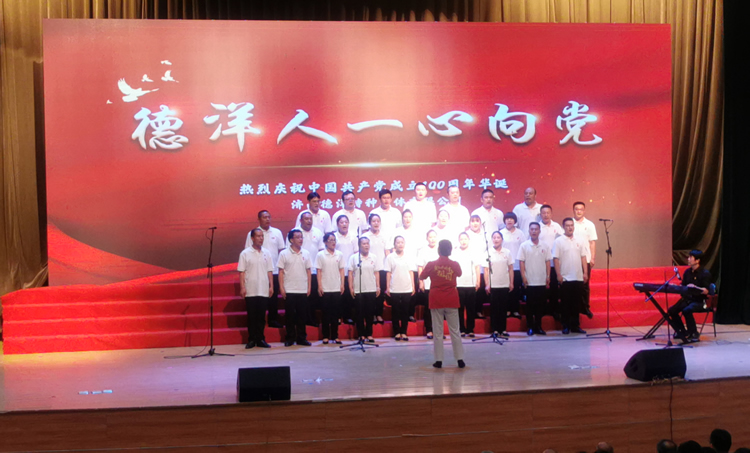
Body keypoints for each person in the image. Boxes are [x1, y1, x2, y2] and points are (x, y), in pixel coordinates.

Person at [419, 239, 465, 369]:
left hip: (436, 300)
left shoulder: (431, 264)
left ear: (438, 250)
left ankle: (439, 360)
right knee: (455, 331)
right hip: (451, 299)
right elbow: (460, 274)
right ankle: (460, 359)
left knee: (437, 332)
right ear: (450, 250)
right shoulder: (454, 264)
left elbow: (422, 276)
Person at [245, 210, 284, 328]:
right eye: (264, 217)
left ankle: (273, 319)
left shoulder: (277, 232)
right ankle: (258, 321)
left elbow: (282, 251)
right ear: (259, 219)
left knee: (273, 297)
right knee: (259, 297)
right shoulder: (252, 233)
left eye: (269, 217)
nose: (267, 219)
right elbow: (247, 252)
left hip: (274, 270)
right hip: (258, 272)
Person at [238, 228, 273, 349]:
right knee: (252, 316)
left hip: (263, 289)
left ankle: (261, 339)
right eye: (258, 236)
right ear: (252, 238)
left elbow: (269, 271)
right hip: (251, 289)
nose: (261, 238)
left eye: (262, 236)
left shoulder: (267, 253)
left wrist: (271, 286)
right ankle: (252, 339)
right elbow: (242, 272)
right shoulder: (245, 253)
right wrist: (242, 287)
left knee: (261, 317)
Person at [552, 218, 589, 334]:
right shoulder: (558, 241)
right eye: (567, 225)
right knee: (565, 303)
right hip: (565, 277)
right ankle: (566, 326)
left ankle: (575, 326)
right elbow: (556, 259)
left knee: (576, 303)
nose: (570, 227)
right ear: (563, 227)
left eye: (571, 225)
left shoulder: (580, 240)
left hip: (578, 276)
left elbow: (583, 257)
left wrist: (585, 272)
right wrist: (558, 274)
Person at [277, 229, 313, 346]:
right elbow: (281, 272)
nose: (300, 239)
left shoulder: (306, 253)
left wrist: (309, 287)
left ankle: (302, 338)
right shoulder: (284, 254)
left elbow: (308, 271)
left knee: (302, 315)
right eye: (297, 237)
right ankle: (290, 338)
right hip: (289, 289)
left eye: (301, 237)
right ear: (291, 240)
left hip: (302, 289)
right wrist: (282, 288)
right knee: (290, 316)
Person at [668, 250, 712, 342]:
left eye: (691, 257)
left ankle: (694, 333)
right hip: (688, 299)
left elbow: (706, 291)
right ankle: (682, 331)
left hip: (700, 301)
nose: (688, 259)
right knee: (672, 310)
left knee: (686, 310)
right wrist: (677, 287)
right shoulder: (687, 272)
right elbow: (684, 286)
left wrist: (695, 287)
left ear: (697, 260)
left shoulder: (705, 273)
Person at [290, 211, 324, 327]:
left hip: (314, 269)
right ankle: (300, 321)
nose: (309, 221)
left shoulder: (318, 232)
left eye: (310, 219)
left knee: (313, 297)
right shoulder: (295, 232)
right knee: (300, 298)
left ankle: (311, 319)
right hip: (298, 271)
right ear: (300, 220)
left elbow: (321, 251)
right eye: (306, 219)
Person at [518, 222, 551, 335]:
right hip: (529, 280)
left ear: (539, 231)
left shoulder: (545, 245)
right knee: (530, 306)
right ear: (529, 231)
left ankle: (538, 326)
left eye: (536, 229)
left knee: (540, 306)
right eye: (532, 229)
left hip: (541, 280)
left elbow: (547, 261)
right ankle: (530, 327)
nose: (534, 231)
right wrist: (523, 276)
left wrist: (548, 276)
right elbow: (521, 262)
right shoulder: (524, 245)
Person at [348, 237, 381, 342]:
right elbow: (350, 273)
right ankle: (361, 334)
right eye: (364, 244)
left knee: (370, 313)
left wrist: (378, 286)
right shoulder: (354, 258)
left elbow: (376, 273)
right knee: (359, 313)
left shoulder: (374, 257)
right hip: (359, 289)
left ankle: (369, 334)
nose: (366, 245)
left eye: (367, 243)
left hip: (371, 289)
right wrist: (351, 287)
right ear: (359, 245)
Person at [316, 232, 345, 345]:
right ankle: (325, 336)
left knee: (335, 313)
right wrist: (319, 286)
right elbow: (319, 271)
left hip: (336, 287)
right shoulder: (320, 255)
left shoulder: (339, 254)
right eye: (330, 240)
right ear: (325, 242)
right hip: (325, 287)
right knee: (326, 313)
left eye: (334, 240)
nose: (333, 242)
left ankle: (335, 336)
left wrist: (342, 284)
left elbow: (341, 270)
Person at [385, 235, 415, 341]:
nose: (400, 244)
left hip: (407, 287)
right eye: (398, 242)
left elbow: (411, 272)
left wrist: (413, 286)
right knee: (395, 311)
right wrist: (388, 287)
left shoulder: (409, 256)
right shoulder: (390, 257)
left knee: (405, 311)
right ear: (394, 244)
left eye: (402, 242)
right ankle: (397, 332)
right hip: (395, 288)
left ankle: (404, 332)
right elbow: (388, 273)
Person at [484, 231, 514, 337]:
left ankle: (503, 329)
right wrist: (487, 284)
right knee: (494, 309)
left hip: (504, 284)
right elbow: (486, 270)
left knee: (503, 308)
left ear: (502, 239)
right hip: (493, 284)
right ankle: (495, 330)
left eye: (498, 237)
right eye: (494, 237)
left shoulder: (507, 252)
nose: (496, 239)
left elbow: (511, 269)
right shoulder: (488, 252)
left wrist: (511, 282)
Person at [363, 213, 390, 325]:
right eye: (373, 221)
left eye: (378, 221)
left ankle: (379, 314)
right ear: (369, 223)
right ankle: (371, 314)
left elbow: (387, 253)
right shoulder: (365, 236)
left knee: (380, 292)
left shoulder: (384, 236)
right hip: (368, 268)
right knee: (370, 292)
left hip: (382, 268)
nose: (376, 223)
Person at [539, 204, 564, 320]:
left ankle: (554, 309)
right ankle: (542, 309)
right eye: (543, 213)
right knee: (542, 287)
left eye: (548, 213)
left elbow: (562, 241)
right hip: (540, 262)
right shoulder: (537, 227)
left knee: (554, 287)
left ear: (551, 214)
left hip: (554, 262)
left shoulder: (557, 226)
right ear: (540, 214)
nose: (546, 215)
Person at [453, 232, 481, 337]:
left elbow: (477, 267)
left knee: (471, 308)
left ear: (468, 240)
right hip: (459, 284)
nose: (463, 241)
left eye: (465, 239)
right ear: (458, 240)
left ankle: (470, 329)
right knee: (459, 308)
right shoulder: (455, 252)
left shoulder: (473, 251)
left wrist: (478, 281)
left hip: (471, 284)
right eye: (461, 239)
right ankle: (461, 329)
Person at [573, 201, 597, 318]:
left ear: (584, 210)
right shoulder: (569, 223)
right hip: (571, 259)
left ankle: (585, 307)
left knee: (585, 284)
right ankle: (574, 308)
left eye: (581, 209)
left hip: (585, 259)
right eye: (576, 209)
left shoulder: (590, 224)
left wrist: (592, 258)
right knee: (573, 285)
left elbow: (592, 242)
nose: (579, 211)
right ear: (573, 210)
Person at [500, 212, 527, 319]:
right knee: (506, 289)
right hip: (504, 266)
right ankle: (506, 310)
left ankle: (515, 310)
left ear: (515, 221)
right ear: (504, 220)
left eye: (511, 219)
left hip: (516, 266)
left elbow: (524, 248)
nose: (509, 220)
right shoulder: (501, 233)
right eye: (507, 219)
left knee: (515, 289)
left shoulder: (520, 233)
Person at [334, 214, 358, 324]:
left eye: (346, 222)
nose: (344, 224)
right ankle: (338, 316)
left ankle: (348, 316)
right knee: (338, 295)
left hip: (350, 271)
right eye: (341, 222)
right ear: (337, 224)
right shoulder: (334, 237)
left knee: (349, 295)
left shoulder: (353, 237)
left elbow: (356, 253)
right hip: (337, 271)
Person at [417, 230, 440, 338]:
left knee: (439, 309)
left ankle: (438, 330)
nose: (432, 239)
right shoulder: (423, 251)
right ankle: (429, 330)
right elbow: (420, 267)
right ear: (427, 238)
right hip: (428, 283)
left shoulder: (440, 250)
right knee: (428, 307)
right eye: (430, 237)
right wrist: (421, 281)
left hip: (439, 284)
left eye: (434, 236)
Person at [467, 214, 490, 320]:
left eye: (477, 221)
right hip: (470, 267)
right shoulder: (466, 234)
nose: (475, 223)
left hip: (482, 265)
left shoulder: (485, 235)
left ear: (480, 223)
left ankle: (479, 311)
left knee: (480, 289)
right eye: (472, 221)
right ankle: (470, 312)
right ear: (469, 223)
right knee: (472, 290)